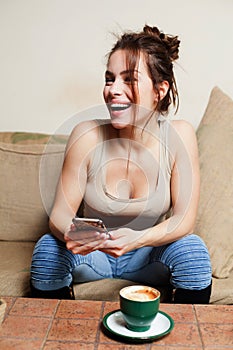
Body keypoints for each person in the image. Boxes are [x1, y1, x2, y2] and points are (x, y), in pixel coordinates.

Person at [30, 25, 212, 303]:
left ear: (159, 90)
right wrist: (87, 237)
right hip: (94, 255)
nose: (113, 90)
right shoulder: (86, 134)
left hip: (147, 254)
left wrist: (137, 239)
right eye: (109, 78)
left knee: (193, 251)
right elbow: (59, 215)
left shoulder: (179, 135)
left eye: (129, 80)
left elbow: (184, 220)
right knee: (47, 249)